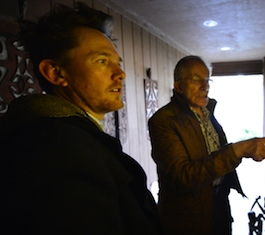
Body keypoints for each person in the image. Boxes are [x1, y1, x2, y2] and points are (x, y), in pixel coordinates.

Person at [0, 3, 162, 235]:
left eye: (118, 63)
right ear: (56, 73)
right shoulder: (56, 148)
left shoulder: (74, 136)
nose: (121, 74)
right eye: (102, 61)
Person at [148, 55, 265, 235]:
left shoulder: (207, 112)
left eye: (207, 80)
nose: (205, 86)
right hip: (187, 216)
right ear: (178, 86)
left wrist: (243, 152)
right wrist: (237, 150)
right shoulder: (163, 121)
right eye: (196, 80)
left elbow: (215, 153)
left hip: (218, 202)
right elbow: (182, 177)